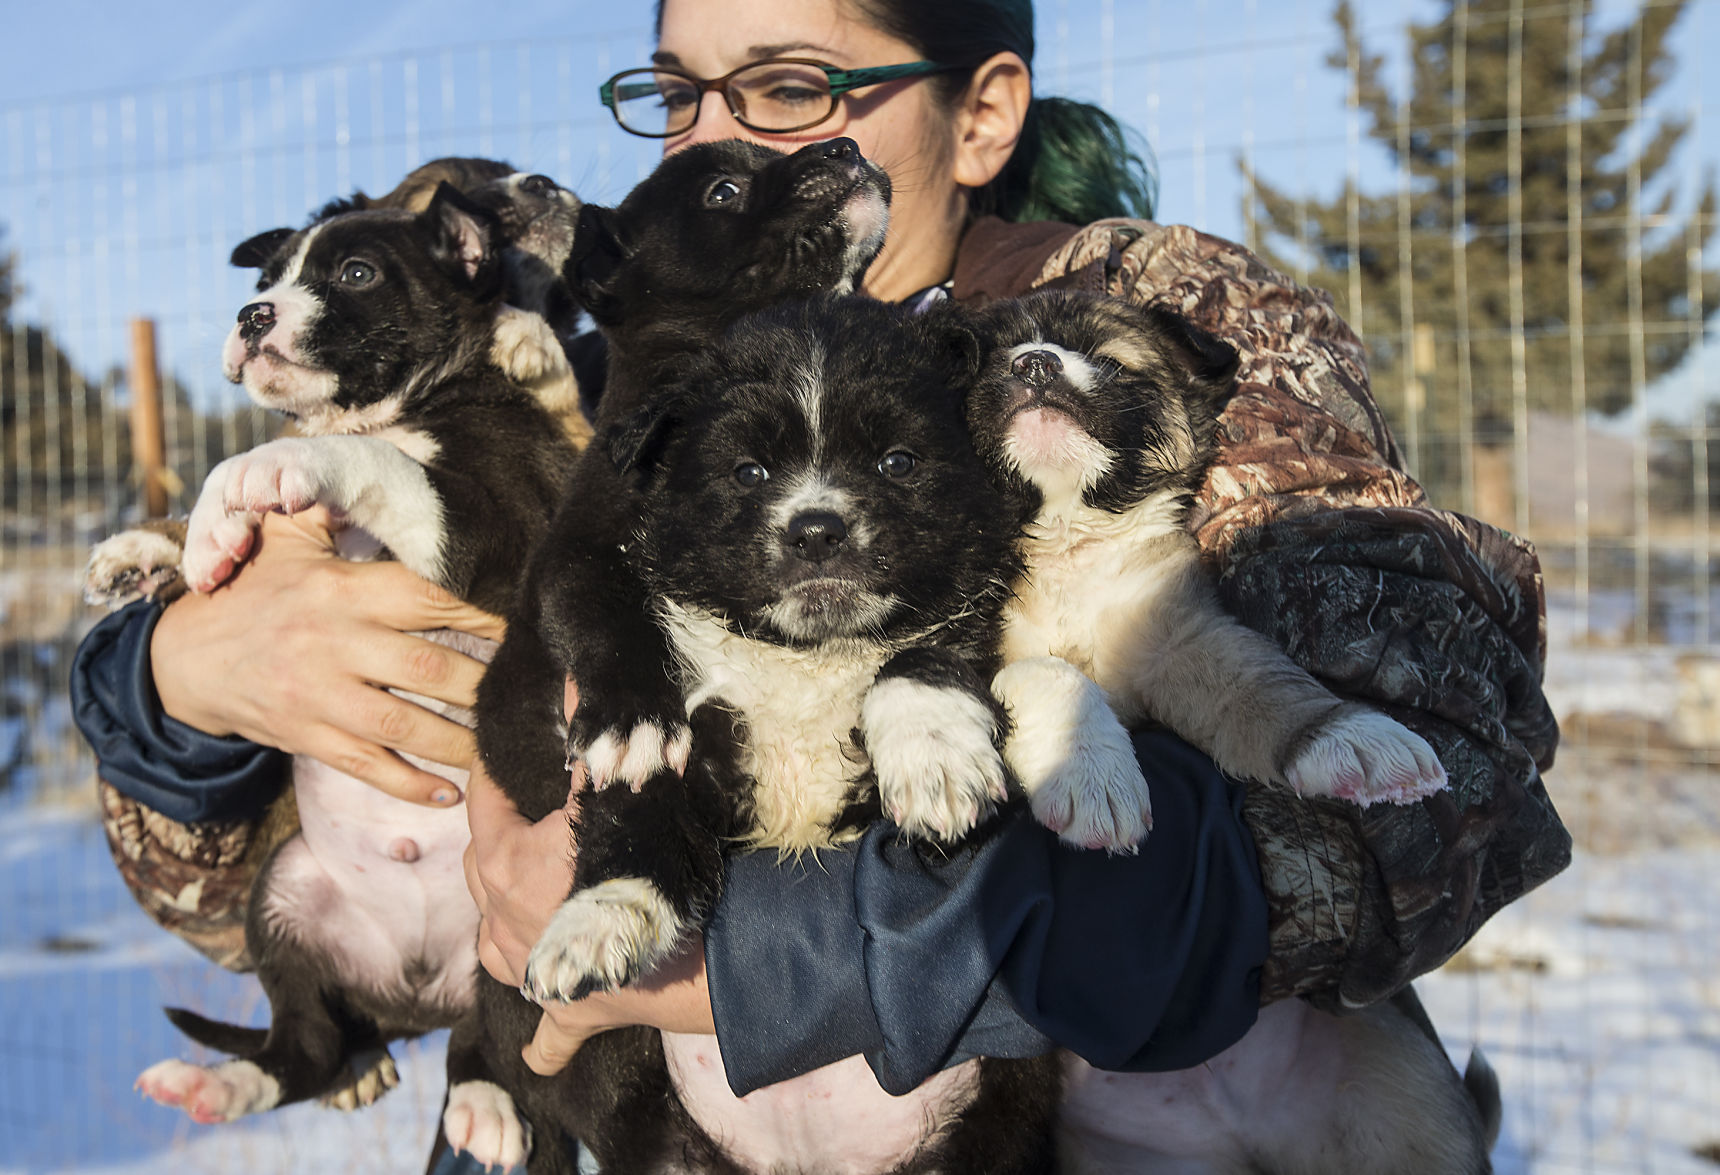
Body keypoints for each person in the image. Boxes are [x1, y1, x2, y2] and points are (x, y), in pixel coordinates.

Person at [72, 0, 1567, 1167]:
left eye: (790, 87)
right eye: (676, 92)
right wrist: (176, 691)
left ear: (982, 112)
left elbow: (1439, 804)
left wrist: (773, 955)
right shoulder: (612, 393)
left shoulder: (1125, 331)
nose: (711, 139)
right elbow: (255, 901)